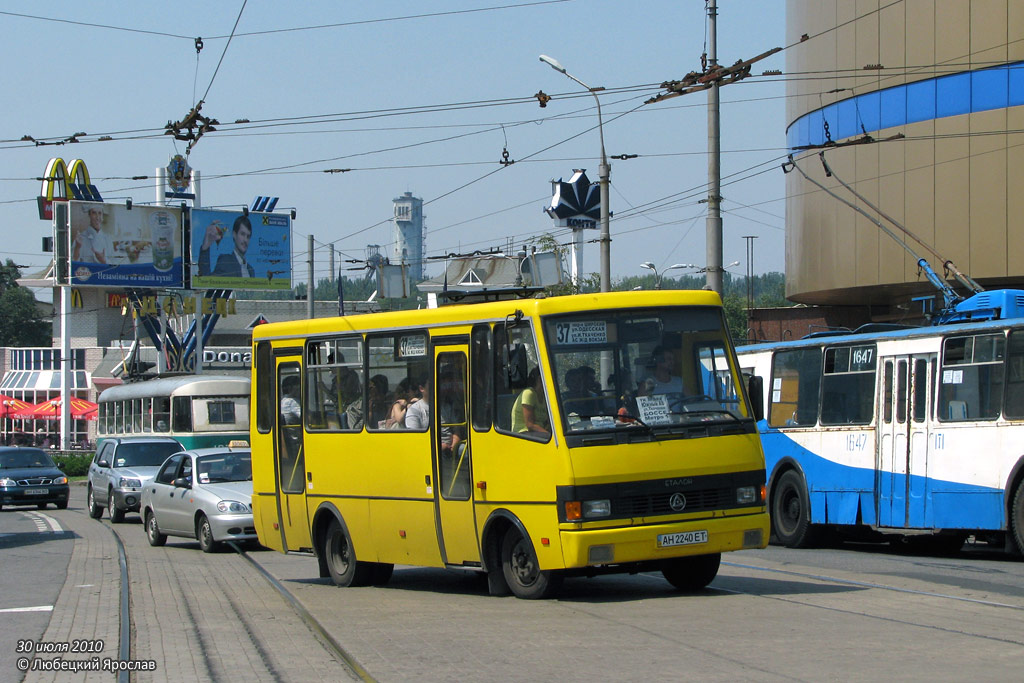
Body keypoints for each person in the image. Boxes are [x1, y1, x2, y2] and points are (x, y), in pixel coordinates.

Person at [511, 367, 550, 436]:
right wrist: (549, 435)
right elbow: (530, 425)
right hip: (524, 433)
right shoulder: (529, 393)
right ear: (540, 379)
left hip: (539, 433)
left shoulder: (545, 396)